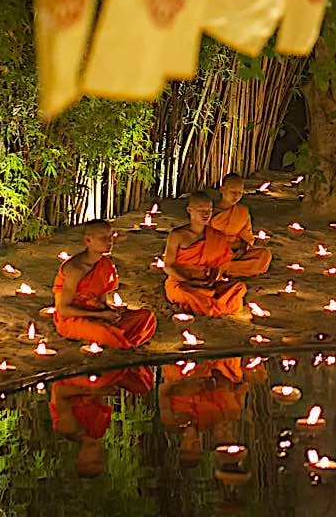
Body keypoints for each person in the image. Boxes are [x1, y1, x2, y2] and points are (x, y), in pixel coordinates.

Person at [53, 219, 157, 348]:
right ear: (88, 241)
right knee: (104, 333)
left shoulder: (105, 264)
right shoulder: (76, 269)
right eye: (103, 238)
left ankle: (118, 339)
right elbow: (63, 310)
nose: (109, 242)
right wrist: (100, 315)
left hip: (96, 314)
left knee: (146, 317)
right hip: (72, 319)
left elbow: (101, 299)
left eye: (110, 236)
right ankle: (119, 341)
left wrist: (109, 312)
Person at [50, 366, 153, 477]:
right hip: (91, 382)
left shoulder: (69, 429)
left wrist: (96, 390)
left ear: (81, 458)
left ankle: (119, 365)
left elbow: (60, 392)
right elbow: (97, 398)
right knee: (142, 386)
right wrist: (107, 390)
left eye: (94, 461)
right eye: (101, 461)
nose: (100, 456)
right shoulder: (98, 432)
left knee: (102, 381)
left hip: (70, 379)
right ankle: (120, 367)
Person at [164, 191, 247, 317]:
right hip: (182, 283)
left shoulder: (216, 235)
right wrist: (190, 280)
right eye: (201, 210)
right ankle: (214, 306)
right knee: (187, 294)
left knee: (238, 287)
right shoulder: (177, 235)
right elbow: (168, 267)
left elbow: (217, 264)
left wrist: (212, 279)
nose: (206, 214)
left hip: (205, 282)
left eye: (209, 210)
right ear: (190, 210)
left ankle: (210, 304)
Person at [209, 174, 271, 277]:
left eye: (240, 193)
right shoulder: (209, 211)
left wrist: (243, 249)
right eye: (233, 192)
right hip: (215, 252)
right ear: (222, 190)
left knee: (264, 255)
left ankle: (223, 269)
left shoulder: (242, 211)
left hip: (236, 253)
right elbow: (203, 237)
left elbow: (247, 237)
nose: (236, 196)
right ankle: (224, 269)